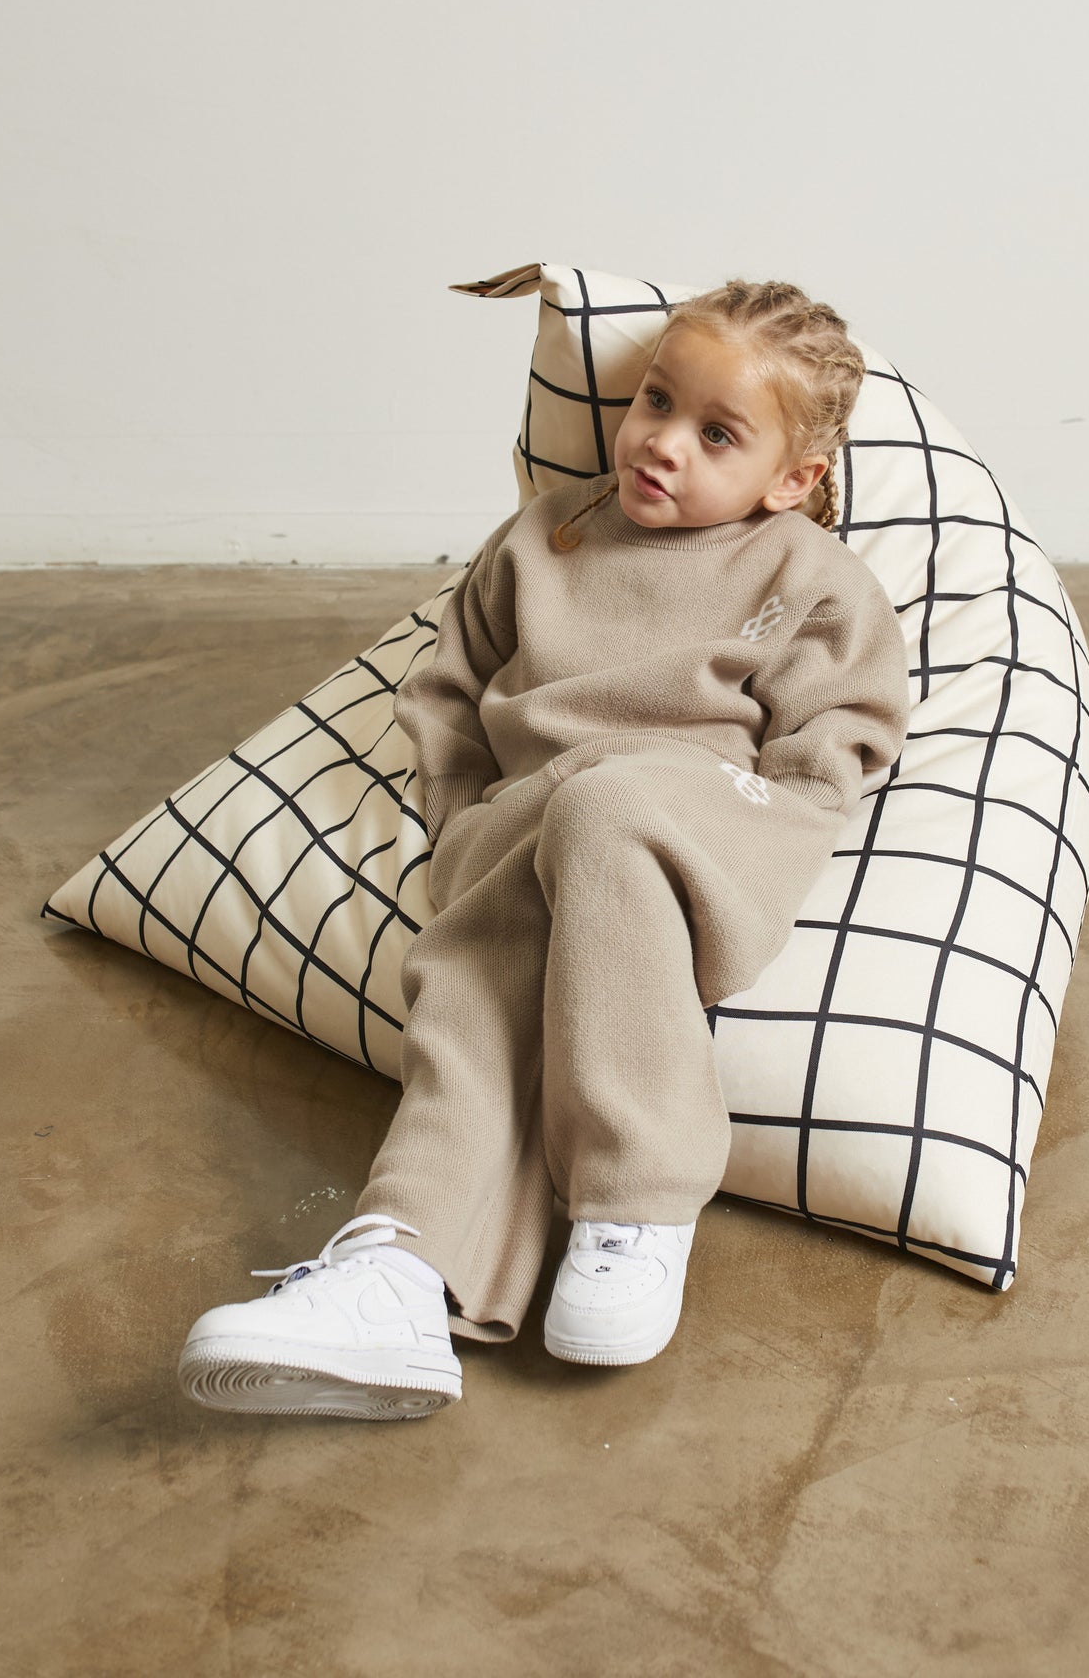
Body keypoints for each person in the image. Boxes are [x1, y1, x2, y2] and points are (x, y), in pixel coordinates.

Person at [177, 280, 912, 1421]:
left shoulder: (810, 580)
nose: (663, 442)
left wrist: (749, 821)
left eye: (717, 434)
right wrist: (462, 816)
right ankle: (402, 1269)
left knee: (605, 808)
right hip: (536, 824)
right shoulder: (542, 538)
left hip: (702, 821)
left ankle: (639, 1201)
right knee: (481, 976)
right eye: (656, 402)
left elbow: (837, 745)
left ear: (791, 478)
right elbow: (449, 688)